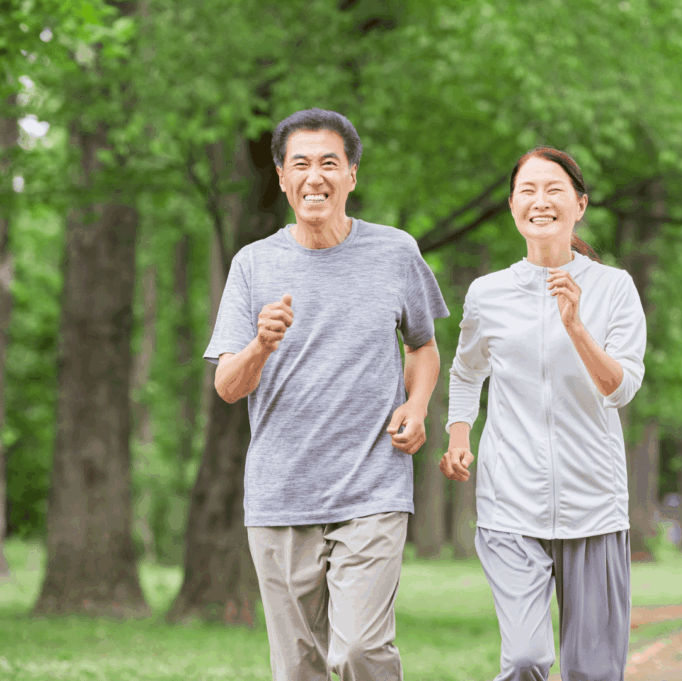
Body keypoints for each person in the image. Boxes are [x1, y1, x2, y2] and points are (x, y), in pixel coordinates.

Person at [203, 108, 449, 681]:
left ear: (352, 176)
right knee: (298, 668)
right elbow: (227, 385)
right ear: (283, 179)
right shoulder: (253, 265)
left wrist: (416, 406)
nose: (315, 176)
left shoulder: (395, 253)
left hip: (373, 486)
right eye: (301, 164)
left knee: (359, 650)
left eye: (329, 163)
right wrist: (261, 345)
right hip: (281, 494)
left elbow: (423, 347)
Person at [441, 147, 647, 681]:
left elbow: (620, 388)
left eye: (554, 190)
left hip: (594, 504)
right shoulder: (488, 294)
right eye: (527, 191)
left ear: (579, 204)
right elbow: (466, 372)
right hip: (510, 501)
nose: (540, 201)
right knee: (526, 659)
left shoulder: (614, 288)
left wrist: (576, 324)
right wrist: (458, 433)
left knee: (595, 673)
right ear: (512, 206)